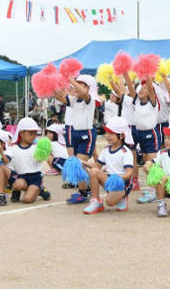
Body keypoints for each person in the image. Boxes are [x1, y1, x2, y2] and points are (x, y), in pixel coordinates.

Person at [54, 75, 100, 204]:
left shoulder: (89, 99)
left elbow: (84, 93)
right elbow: (60, 97)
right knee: (76, 163)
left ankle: (85, 191)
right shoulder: (75, 100)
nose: (75, 87)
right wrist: (52, 85)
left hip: (87, 135)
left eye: (80, 84)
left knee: (78, 163)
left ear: (88, 87)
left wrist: (70, 79)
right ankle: (86, 188)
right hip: (75, 134)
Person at [7, 118, 51, 204]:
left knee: (26, 200)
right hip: (21, 177)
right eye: (30, 134)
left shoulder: (37, 147)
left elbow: (41, 159)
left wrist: (44, 151)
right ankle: (17, 190)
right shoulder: (13, 148)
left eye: (35, 133)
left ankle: (40, 189)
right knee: (17, 184)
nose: (34, 136)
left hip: (35, 177)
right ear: (21, 133)